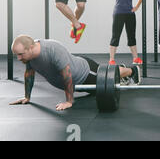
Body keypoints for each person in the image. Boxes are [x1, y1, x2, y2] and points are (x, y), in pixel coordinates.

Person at [9, 35, 141, 111]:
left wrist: (69, 101)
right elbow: (29, 75)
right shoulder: (29, 57)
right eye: (17, 55)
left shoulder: (52, 49)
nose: (19, 58)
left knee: (108, 76)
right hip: (77, 84)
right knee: (99, 90)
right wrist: (27, 97)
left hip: (85, 73)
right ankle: (121, 72)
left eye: (21, 54)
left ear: (31, 47)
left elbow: (66, 74)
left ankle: (132, 71)